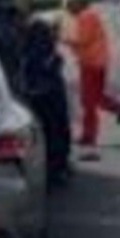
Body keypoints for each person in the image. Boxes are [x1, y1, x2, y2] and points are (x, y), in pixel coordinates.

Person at [60, 0, 120, 158]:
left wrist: (65, 40)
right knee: (96, 97)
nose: (68, 10)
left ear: (77, 4)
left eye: (69, 6)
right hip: (97, 62)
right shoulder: (89, 15)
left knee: (88, 102)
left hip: (91, 63)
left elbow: (83, 40)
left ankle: (89, 136)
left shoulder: (85, 17)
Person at [20, 18, 73, 185]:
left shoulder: (26, 50)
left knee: (44, 134)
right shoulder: (46, 51)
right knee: (57, 132)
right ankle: (57, 169)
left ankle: (51, 169)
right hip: (50, 96)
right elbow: (49, 68)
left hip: (35, 97)